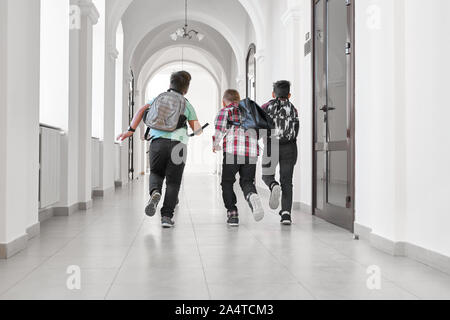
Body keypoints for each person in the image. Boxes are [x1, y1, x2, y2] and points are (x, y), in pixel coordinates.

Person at [117, 71, 203, 228]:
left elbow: (141, 110)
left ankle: (155, 192)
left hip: (157, 144)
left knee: (156, 173)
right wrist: (198, 130)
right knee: (173, 181)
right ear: (186, 88)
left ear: (170, 84)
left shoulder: (158, 98)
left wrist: (130, 130)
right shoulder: (187, 103)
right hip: (178, 146)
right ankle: (166, 217)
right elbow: (196, 128)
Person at [213, 89, 265, 227]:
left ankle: (233, 214)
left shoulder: (225, 111)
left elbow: (219, 130)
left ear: (224, 101)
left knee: (227, 182)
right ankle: (251, 195)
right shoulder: (250, 111)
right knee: (247, 181)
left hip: (232, 151)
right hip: (251, 151)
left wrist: (215, 144)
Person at [261, 81, 299, 225]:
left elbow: (259, 126)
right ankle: (286, 214)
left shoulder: (266, 107)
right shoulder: (293, 109)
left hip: (272, 145)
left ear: (273, 94)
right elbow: (296, 129)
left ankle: (272, 185)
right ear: (289, 94)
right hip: (289, 147)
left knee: (266, 175)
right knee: (287, 181)